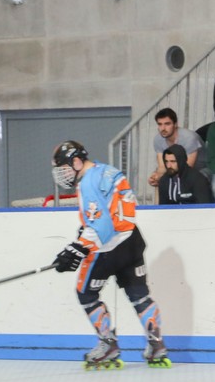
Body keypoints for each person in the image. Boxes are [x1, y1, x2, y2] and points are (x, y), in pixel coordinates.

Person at [49, 140, 170, 368]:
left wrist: (77, 247)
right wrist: (81, 239)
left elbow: (102, 226)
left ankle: (108, 345)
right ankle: (157, 344)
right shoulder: (107, 170)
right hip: (131, 241)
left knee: (85, 293)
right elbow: (110, 212)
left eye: (64, 167)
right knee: (139, 294)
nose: (62, 173)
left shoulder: (87, 183)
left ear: (77, 162)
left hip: (107, 249)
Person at [147, 107, 204, 189]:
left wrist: (164, 177)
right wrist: (156, 176)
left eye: (167, 124)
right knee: (159, 181)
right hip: (177, 170)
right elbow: (162, 166)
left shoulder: (189, 138)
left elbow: (187, 168)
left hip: (202, 169)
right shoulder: (158, 139)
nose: (163, 128)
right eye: (160, 124)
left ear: (175, 124)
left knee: (185, 180)